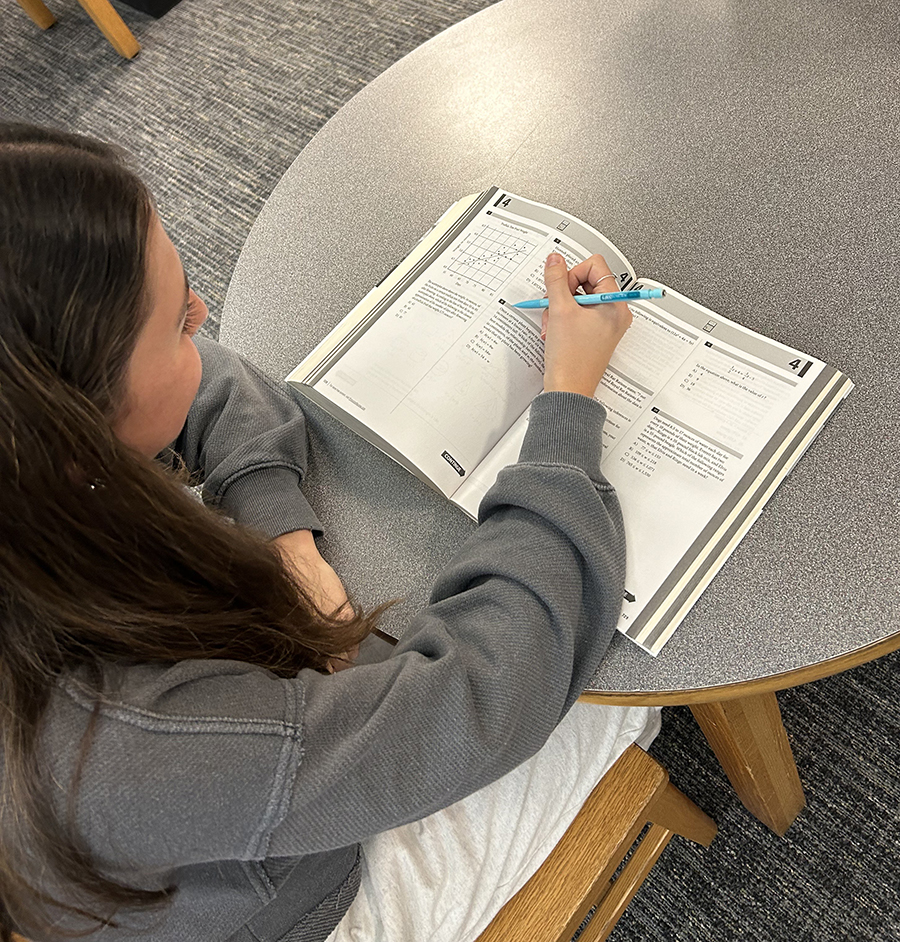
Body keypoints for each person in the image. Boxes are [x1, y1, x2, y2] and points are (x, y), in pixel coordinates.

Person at [0, 123, 648, 942]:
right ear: (71, 428)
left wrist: (285, 537)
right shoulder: (129, 744)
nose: (202, 316)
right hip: (296, 900)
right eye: (173, 322)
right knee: (612, 691)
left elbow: (212, 379)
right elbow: (483, 699)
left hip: (226, 794)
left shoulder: (28, 461)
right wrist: (568, 405)